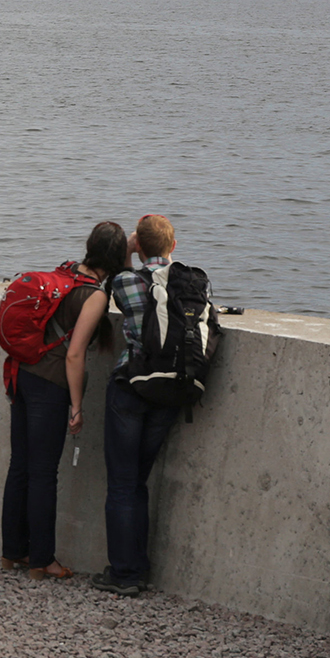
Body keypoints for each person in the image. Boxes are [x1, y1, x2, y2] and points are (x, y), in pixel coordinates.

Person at [0, 222, 124, 579]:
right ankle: (41, 560)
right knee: (43, 474)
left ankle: (12, 553)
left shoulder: (65, 273)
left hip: (21, 374)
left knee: (19, 467)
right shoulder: (95, 296)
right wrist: (77, 406)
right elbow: (75, 357)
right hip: (49, 386)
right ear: (116, 257)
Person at [93, 213, 198, 597]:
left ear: (138, 247)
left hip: (132, 387)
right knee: (138, 481)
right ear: (174, 247)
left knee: (121, 483)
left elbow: (116, 278)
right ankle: (138, 567)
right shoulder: (191, 282)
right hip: (171, 391)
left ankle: (125, 574)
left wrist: (129, 251)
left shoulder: (125, 280)